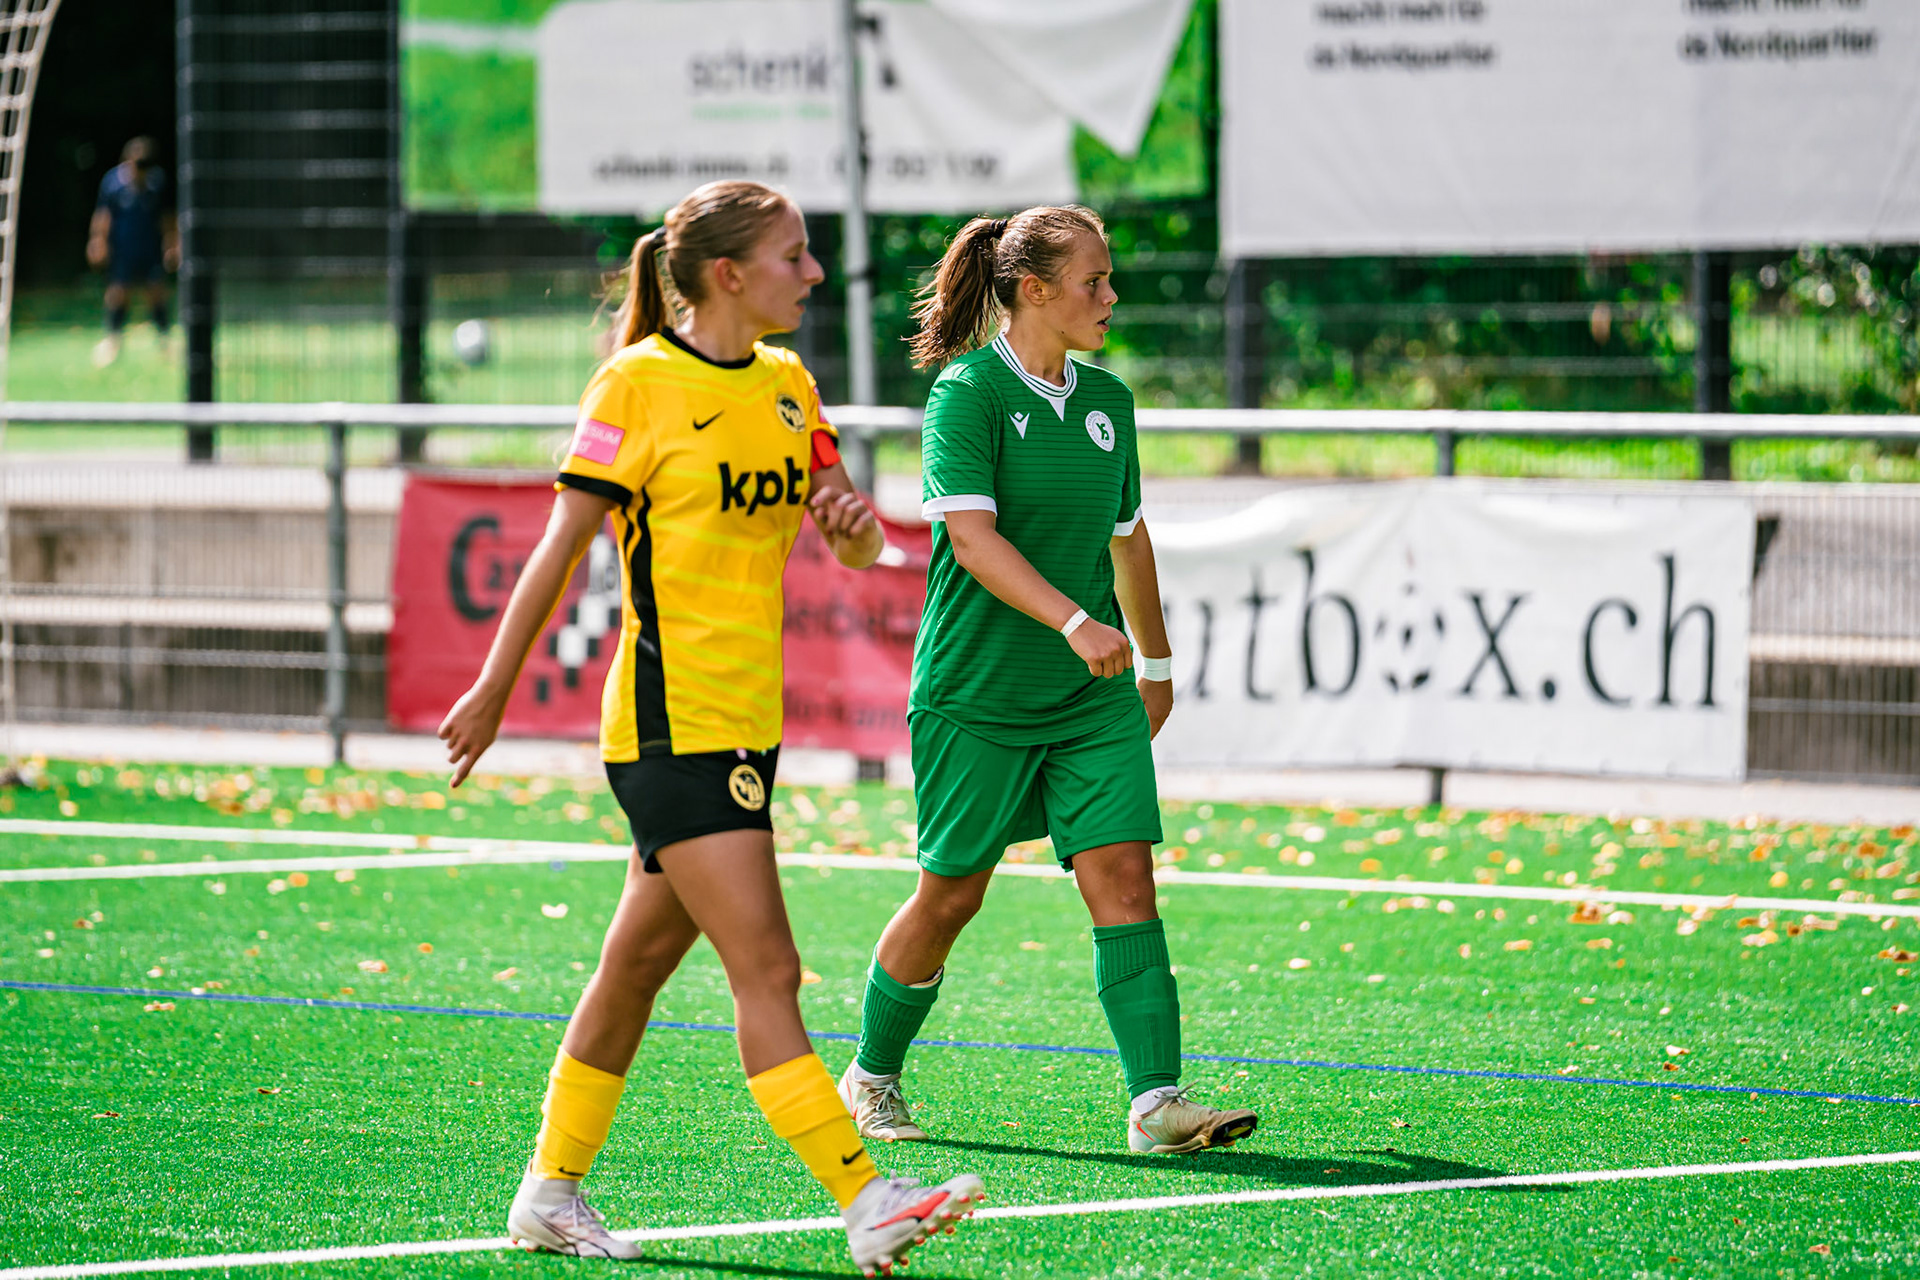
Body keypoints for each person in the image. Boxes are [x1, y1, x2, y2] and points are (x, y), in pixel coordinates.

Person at [437, 180, 983, 1277]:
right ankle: (864, 1196)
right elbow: (557, 547)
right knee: (769, 968)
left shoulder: (787, 383)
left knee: (634, 967)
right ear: (728, 274)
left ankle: (549, 1188)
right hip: (667, 722)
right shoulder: (637, 382)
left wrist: (855, 528)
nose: (815, 273)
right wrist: (495, 684)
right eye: (795, 255)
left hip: (747, 722)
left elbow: (859, 543)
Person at [836, 206, 1259, 1157]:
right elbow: (971, 541)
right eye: (1094, 281)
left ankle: (1158, 1103)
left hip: (1090, 697)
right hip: (975, 695)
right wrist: (1074, 622)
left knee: (1126, 878)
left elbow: (1129, 536)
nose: (1111, 297)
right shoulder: (967, 394)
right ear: (1034, 290)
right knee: (951, 895)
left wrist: (1152, 660)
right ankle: (870, 1076)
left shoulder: (1110, 399)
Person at [86, 136, 178, 368]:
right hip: (122, 249)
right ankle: (112, 343)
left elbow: (167, 217)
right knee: (118, 293)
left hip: (149, 247)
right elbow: (102, 216)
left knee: (156, 292)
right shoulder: (112, 183)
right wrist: (98, 241)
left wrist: (173, 244)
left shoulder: (156, 183)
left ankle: (165, 342)